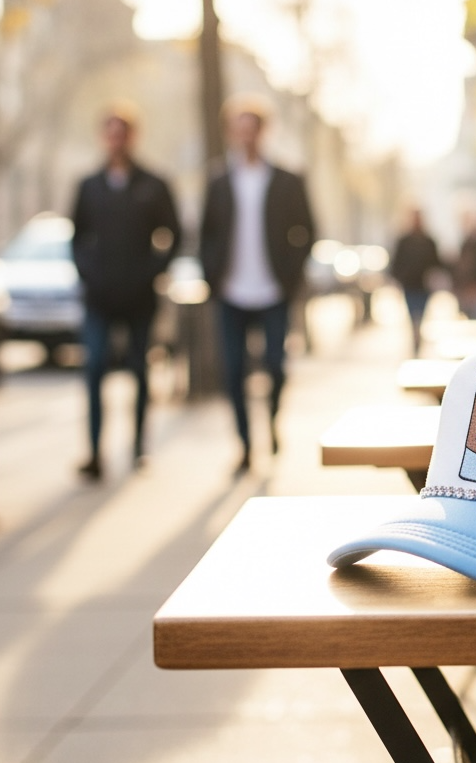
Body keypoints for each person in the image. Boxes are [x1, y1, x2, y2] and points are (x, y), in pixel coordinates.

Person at [199, 95, 316, 474]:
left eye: (253, 130)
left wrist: (291, 276)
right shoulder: (218, 182)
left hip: (272, 291)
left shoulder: (286, 180)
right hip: (231, 292)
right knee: (233, 372)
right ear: (232, 133)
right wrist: (212, 277)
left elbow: (308, 231)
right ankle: (246, 445)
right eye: (240, 130)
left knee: (275, 366)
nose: (246, 138)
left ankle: (273, 423)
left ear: (263, 132)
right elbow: (206, 234)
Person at [70, 102, 181, 480]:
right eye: (110, 133)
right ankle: (95, 452)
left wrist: (152, 272)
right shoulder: (89, 186)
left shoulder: (153, 184)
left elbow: (174, 235)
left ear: (132, 137)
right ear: (104, 138)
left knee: (138, 370)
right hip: (99, 297)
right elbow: (77, 238)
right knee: (95, 369)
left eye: (123, 132)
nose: (116, 140)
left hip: (139, 297)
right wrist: (89, 274)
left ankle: (137, 448)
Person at [390, 207, 441, 355]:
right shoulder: (404, 241)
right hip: (410, 286)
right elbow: (396, 264)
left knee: (422, 318)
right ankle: (415, 343)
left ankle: (419, 341)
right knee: (413, 318)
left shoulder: (428, 241)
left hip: (424, 287)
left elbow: (436, 263)